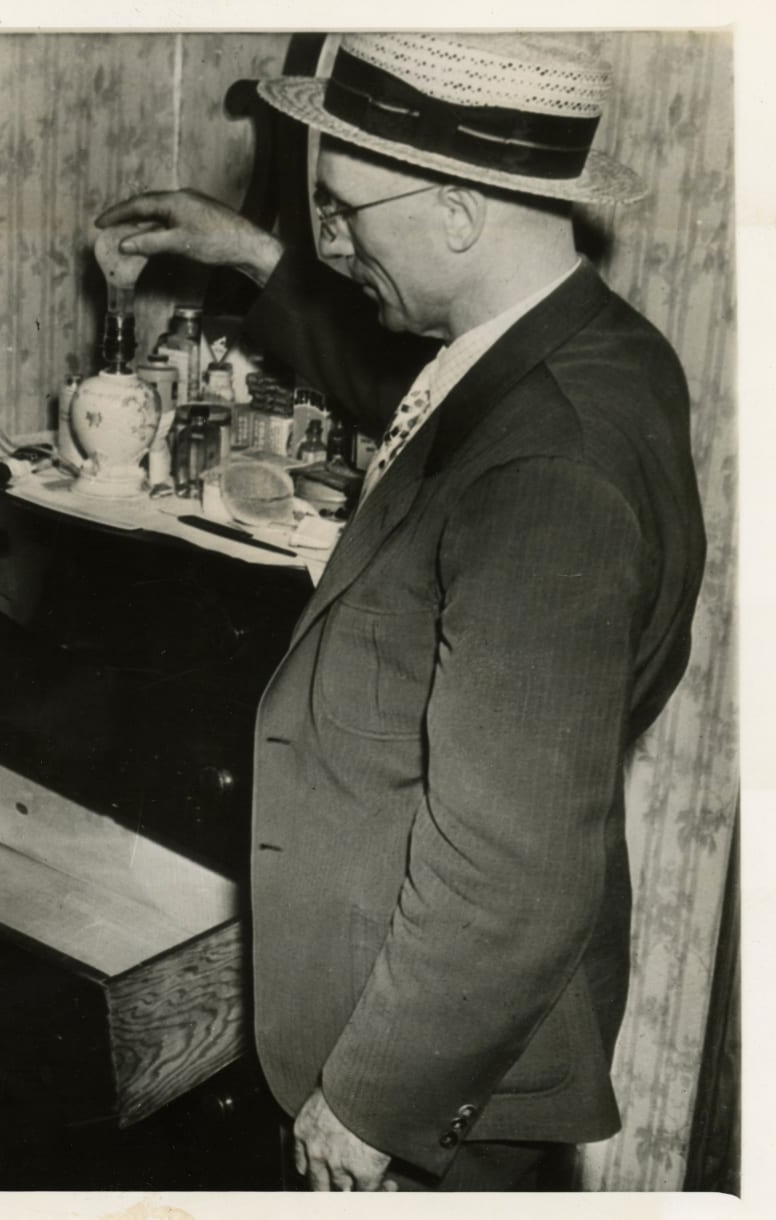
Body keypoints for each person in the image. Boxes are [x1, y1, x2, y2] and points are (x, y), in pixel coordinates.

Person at [99, 33, 705, 1192]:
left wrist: (371, 1098)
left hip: (432, 1075)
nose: (336, 242)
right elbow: (417, 399)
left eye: (344, 211)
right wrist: (241, 249)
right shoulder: (578, 350)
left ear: (462, 208)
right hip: (445, 1027)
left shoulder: (551, 469)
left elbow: (510, 863)